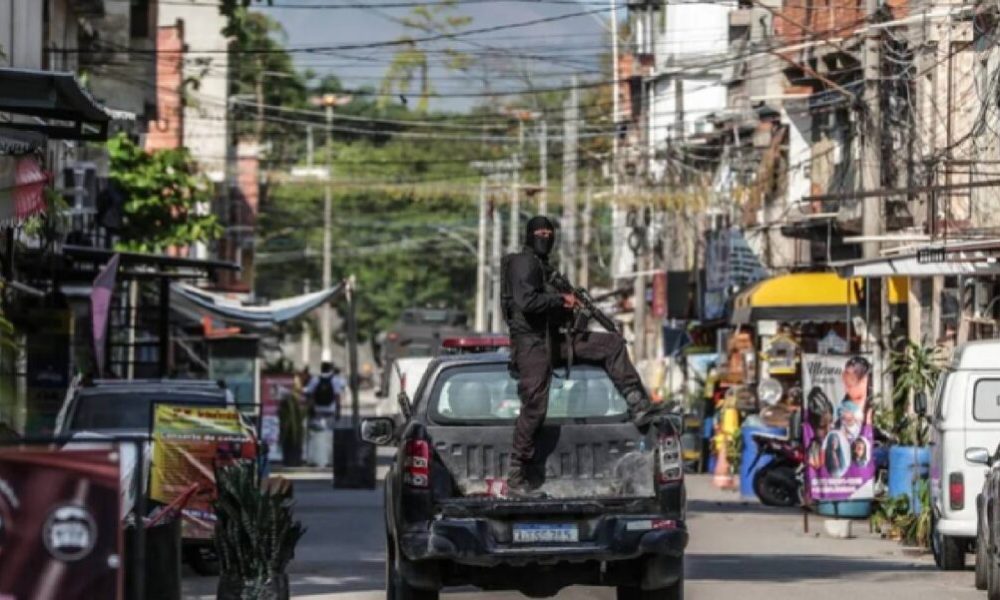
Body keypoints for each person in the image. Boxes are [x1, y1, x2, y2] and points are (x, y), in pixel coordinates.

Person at [501, 215, 658, 496]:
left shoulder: (543, 267)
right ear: (528, 235)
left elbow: (555, 312)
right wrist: (561, 299)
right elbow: (526, 302)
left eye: (548, 232)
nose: (544, 236)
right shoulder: (522, 263)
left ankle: (637, 403)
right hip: (531, 344)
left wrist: (573, 308)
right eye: (538, 232)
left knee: (611, 344)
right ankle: (516, 475)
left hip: (552, 341)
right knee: (535, 406)